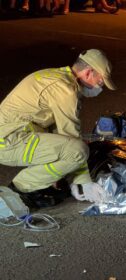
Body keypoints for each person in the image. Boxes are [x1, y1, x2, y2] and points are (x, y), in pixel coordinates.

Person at [0, 49, 116, 207]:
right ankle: (20, 189)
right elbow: (72, 139)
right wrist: (83, 182)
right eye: (100, 81)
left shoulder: (56, 76)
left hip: (14, 133)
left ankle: (43, 183)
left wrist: (61, 176)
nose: (99, 88)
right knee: (78, 151)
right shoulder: (66, 91)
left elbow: (57, 131)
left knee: (68, 148)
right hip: (7, 141)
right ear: (88, 72)